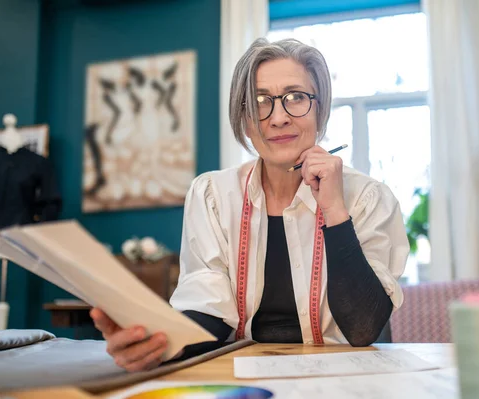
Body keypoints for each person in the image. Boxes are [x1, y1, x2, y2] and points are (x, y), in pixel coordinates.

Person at [90, 38, 408, 372]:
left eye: (296, 97)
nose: (279, 117)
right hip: (241, 376)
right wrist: (157, 346)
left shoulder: (370, 199)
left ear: (320, 109)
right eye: (260, 101)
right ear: (243, 120)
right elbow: (207, 313)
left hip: (345, 378)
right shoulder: (212, 195)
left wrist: (334, 210)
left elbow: (363, 328)